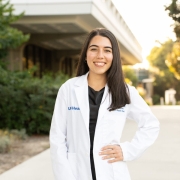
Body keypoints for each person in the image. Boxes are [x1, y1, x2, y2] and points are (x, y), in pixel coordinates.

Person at [49, 28, 160, 180]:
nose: (100, 56)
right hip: (75, 173)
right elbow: (57, 138)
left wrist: (127, 150)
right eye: (94, 49)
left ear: (114, 56)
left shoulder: (125, 91)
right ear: (85, 55)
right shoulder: (69, 89)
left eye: (107, 50)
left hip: (112, 173)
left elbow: (151, 125)